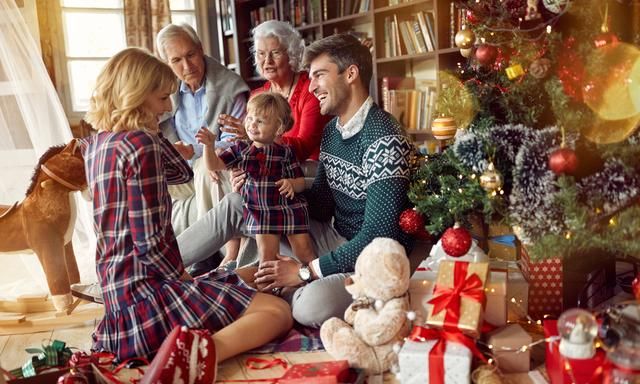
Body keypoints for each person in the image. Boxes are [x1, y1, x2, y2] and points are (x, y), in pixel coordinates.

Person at [176, 33, 413, 328]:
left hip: (371, 258)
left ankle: (267, 285)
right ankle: (159, 265)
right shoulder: (334, 132)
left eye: (319, 76)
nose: (311, 87)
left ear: (351, 74)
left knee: (311, 307)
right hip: (330, 238)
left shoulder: (383, 137)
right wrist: (264, 190)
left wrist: (305, 272)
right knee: (240, 201)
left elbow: (379, 235)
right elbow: (323, 204)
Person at [81, 47, 292, 363]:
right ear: (137, 95)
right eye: (162, 98)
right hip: (150, 297)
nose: (168, 108)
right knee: (278, 312)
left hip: (120, 303)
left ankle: (193, 340)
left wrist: (154, 133)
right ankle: (197, 357)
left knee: (245, 275)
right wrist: (185, 282)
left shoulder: (97, 144)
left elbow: (180, 172)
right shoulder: (141, 146)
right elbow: (149, 243)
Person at [215, 20, 330, 267]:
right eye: (260, 54)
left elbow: (303, 143)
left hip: (305, 166)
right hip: (266, 168)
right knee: (223, 173)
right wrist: (242, 165)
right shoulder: (259, 96)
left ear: (291, 55)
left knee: (245, 178)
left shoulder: (309, 90)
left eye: (274, 53)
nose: (266, 60)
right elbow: (254, 140)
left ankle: (240, 257)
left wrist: (251, 145)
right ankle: (232, 253)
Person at [156, 22, 249, 262]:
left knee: (203, 168)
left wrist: (197, 151)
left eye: (191, 55)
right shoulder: (164, 93)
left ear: (201, 48)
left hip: (219, 165)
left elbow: (234, 142)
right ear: (166, 63)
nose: (187, 66)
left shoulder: (230, 87)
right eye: (176, 60)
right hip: (181, 173)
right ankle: (145, 265)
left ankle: (213, 255)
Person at [196, 92, 315, 277]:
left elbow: (300, 181)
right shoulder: (240, 149)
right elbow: (214, 165)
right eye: (249, 118)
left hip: (291, 208)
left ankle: (312, 277)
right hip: (261, 211)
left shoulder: (285, 152)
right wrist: (208, 146)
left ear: (278, 128)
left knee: (305, 252)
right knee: (268, 258)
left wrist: (292, 183)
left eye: (260, 121)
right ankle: (269, 287)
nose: (252, 124)